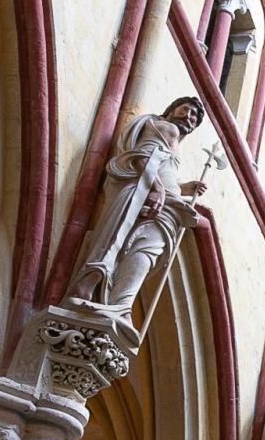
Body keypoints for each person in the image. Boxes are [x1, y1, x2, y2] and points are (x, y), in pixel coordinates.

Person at [70, 97, 209, 320]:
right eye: (186, 110)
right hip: (146, 196)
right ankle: (109, 298)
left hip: (164, 201)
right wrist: (156, 189)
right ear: (171, 110)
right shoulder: (167, 128)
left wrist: (183, 188)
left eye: (194, 117)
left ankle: (119, 305)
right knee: (135, 244)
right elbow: (142, 158)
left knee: (144, 249)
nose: (189, 117)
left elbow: (161, 168)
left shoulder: (172, 138)